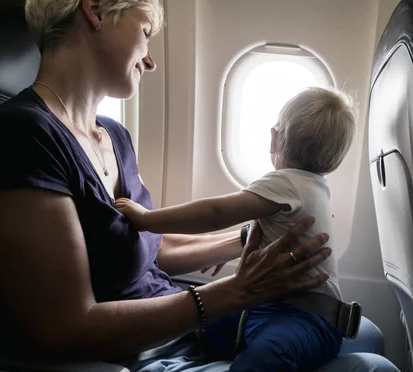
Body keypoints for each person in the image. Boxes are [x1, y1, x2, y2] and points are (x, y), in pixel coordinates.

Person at [0, 0, 400, 372]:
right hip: (139, 352)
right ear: (95, 11)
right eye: (145, 30)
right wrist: (234, 292)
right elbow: (66, 328)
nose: (151, 60)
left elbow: (149, 249)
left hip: (181, 327)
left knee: (367, 335)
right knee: (373, 367)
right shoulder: (25, 134)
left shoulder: (114, 135)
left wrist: (248, 242)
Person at [114, 87, 356, 371]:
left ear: (274, 139)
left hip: (304, 318)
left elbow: (214, 213)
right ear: (334, 162)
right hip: (280, 309)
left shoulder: (286, 182)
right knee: (213, 324)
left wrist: (146, 219)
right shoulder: (315, 188)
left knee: (265, 356)